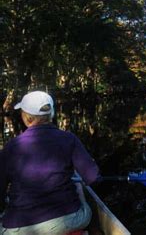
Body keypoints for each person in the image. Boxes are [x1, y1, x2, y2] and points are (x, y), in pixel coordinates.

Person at [0, 91, 100, 235]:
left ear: (27, 118)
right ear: (51, 114)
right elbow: (92, 177)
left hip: (20, 228)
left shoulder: (11, 147)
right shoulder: (69, 139)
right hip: (69, 220)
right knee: (78, 185)